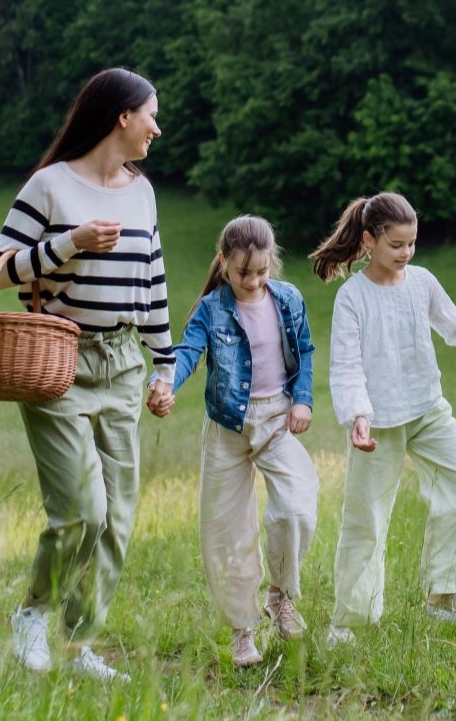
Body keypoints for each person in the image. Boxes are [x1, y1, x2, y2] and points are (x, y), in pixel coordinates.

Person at [0, 68, 171, 681]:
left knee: (119, 517)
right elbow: (2, 269)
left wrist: (165, 362)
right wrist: (69, 243)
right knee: (81, 510)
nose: (157, 126)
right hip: (59, 362)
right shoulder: (49, 187)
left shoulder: (141, 191)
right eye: (151, 114)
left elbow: (153, 279)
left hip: (124, 362)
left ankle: (79, 645)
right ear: (122, 117)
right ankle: (33, 616)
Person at [309, 192, 456, 645]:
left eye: (412, 243)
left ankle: (443, 593)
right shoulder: (352, 297)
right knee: (367, 519)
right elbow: (346, 365)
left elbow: (454, 327)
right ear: (370, 239)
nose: (406, 253)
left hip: (428, 409)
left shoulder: (421, 282)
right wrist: (357, 413)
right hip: (377, 422)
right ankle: (351, 620)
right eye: (397, 244)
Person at [151, 215, 319, 668]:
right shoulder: (212, 309)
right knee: (226, 532)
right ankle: (244, 631)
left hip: (276, 420)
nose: (254, 280)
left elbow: (304, 350)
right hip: (228, 426)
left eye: (262, 271)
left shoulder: (287, 300)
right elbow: (188, 351)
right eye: (244, 272)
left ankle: (280, 596)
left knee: (298, 506)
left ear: (272, 263)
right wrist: (165, 382)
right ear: (224, 262)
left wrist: (302, 400)